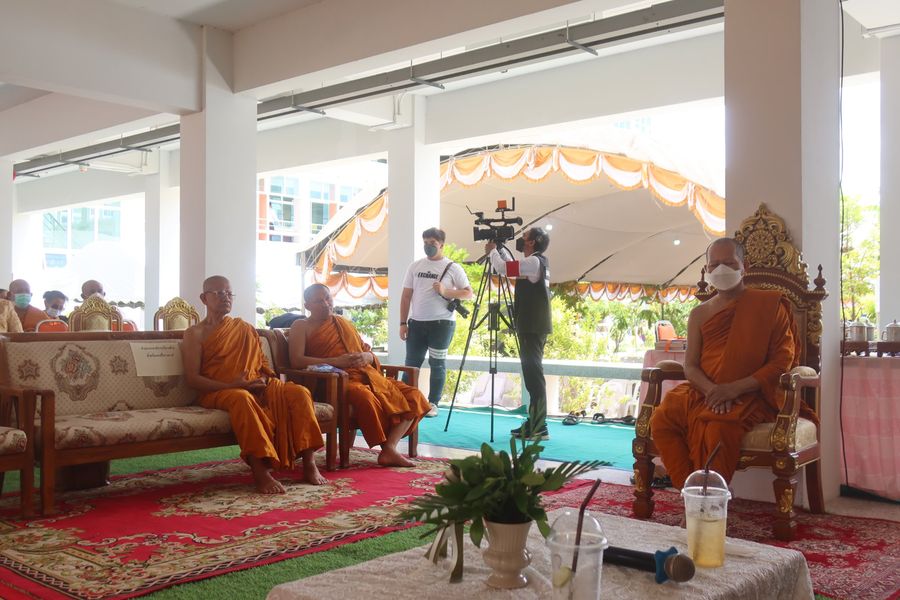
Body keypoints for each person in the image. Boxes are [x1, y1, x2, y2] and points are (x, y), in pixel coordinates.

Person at [649, 238, 813, 490]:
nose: (721, 270)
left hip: (752, 393)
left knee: (718, 428)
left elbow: (782, 362)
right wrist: (714, 391)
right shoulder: (699, 314)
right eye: (714, 265)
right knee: (662, 419)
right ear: (706, 270)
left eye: (729, 263)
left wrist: (733, 389)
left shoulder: (769, 305)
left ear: (744, 267)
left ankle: (710, 496)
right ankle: (692, 493)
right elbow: (690, 366)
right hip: (705, 391)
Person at [182, 275, 327, 494]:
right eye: (219, 293)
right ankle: (260, 471)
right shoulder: (195, 334)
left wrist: (263, 380)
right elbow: (193, 379)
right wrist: (232, 385)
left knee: (299, 392)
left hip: (253, 386)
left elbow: (262, 365)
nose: (226, 297)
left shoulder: (245, 328)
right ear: (204, 298)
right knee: (242, 398)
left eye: (229, 293)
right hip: (217, 391)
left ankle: (309, 463)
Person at [291, 284, 430, 467]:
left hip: (367, 376)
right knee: (365, 397)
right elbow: (297, 360)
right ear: (307, 305)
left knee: (414, 396)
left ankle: (390, 448)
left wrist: (368, 357)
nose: (325, 304)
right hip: (334, 382)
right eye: (318, 301)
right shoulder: (301, 326)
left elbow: (364, 350)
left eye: (327, 298)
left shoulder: (343, 323)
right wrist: (336, 361)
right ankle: (387, 448)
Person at [486, 227, 553, 440]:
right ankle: (536, 422)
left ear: (532, 242)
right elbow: (512, 268)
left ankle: (539, 425)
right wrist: (500, 250)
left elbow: (503, 269)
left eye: (524, 237)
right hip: (534, 325)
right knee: (532, 375)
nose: (521, 240)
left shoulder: (533, 262)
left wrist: (492, 251)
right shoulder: (537, 262)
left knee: (533, 376)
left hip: (532, 326)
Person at [400, 228, 473, 417]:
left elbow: (468, 293)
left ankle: (433, 403)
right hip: (416, 323)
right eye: (425, 242)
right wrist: (402, 323)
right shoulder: (415, 266)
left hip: (442, 324)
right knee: (411, 365)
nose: (428, 246)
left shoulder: (452, 267)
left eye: (432, 243)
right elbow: (406, 296)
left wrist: (445, 291)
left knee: (437, 364)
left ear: (441, 245)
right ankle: (406, 401)